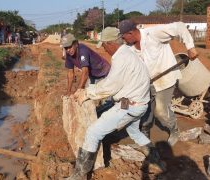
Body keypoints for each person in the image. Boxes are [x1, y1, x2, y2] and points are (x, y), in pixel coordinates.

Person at [67, 27, 165, 179]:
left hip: (130, 104)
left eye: (104, 45)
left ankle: (79, 174)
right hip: (138, 102)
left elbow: (111, 86)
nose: (104, 49)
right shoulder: (128, 53)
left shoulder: (121, 58)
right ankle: (157, 160)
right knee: (134, 131)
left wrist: (87, 93)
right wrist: (91, 89)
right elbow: (114, 82)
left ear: (111, 43)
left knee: (93, 132)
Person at [118, 20, 199, 146]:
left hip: (165, 80)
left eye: (123, 36)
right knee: (144, 110)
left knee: (160, 111)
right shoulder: (129, 48)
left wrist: (190, 46)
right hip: (147, 83)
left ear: (130, 33)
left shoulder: (153, 34)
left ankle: (174, 130)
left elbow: (179, 26)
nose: (123, 39)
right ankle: (145, 138)